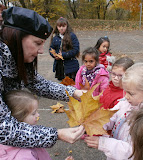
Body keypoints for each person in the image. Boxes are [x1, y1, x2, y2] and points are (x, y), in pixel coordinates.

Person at [0, 7, 84, 148]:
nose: (41, 51)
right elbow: (4, 129)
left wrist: (74, 93)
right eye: (38, 43)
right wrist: (56, 134)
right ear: (16, 38)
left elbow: (40, 84)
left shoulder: (15, 58)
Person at [84, 63, 143, 160]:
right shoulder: (126, 103)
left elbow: (134, 152)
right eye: (125, 91)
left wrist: (104, 143)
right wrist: (95, 124)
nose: (126, 96)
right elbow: (111, 116)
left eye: (131, 93)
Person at [0, 90, 52, 159]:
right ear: (19, 118)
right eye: (34, 113)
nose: (38, 115)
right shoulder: (24, 156)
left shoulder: (29, 135)